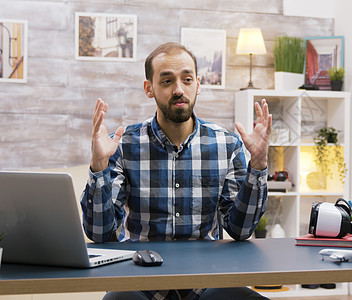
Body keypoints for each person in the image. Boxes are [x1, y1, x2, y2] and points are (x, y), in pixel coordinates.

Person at [80, 42, 272, 300]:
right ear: (149, 88)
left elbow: (240, 230)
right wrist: (99, 168)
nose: (179, 90)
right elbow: (100, 234)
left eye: (187, 79)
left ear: (198, 84)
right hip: (141, 282)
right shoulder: (124, 145)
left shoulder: (227, 145)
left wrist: (257, 166)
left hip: (207, 281)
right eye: (167, 81)